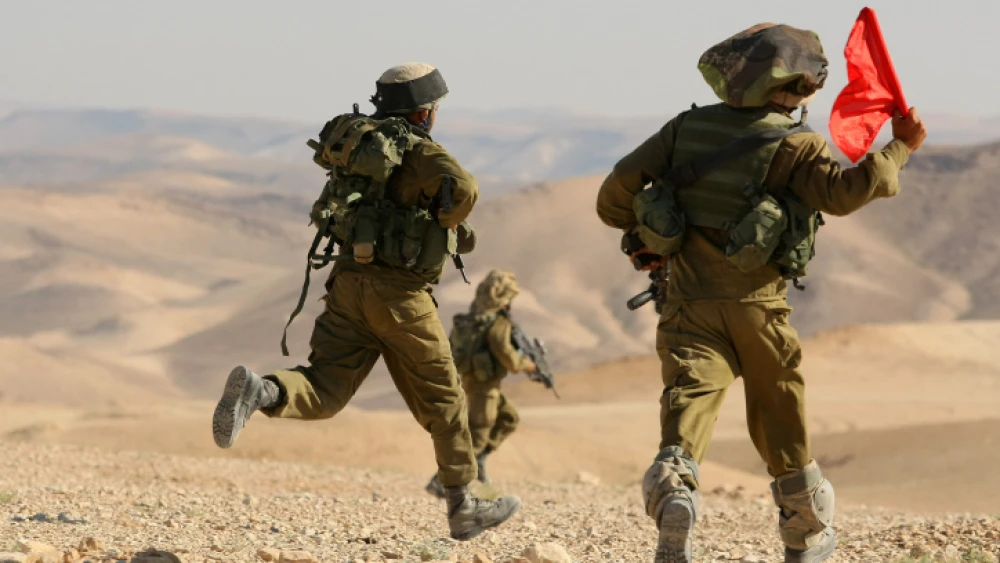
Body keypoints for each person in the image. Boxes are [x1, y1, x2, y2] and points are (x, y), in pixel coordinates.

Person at [594, 24, 926, 563]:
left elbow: (613, 198)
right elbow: (844, 195)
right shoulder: (796, 143)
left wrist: (643, 241)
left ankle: (675, 491)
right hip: (761, 310)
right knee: (781, 421)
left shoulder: (684, 130)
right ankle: (805, 535)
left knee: (689, 403)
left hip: (690, 305)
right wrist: (900, 148)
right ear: (792, 85)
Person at [211, 62, 521, 541]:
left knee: (326, 388)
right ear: (425, 112)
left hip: (348, 287)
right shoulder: (419, 152)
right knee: (446, 399)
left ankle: (261, 390)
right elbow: (465, 190)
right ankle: (463, 506)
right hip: (399, 297)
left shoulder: (359, 147)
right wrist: (443, 218)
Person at [425, 269, 537, 497]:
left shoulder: (475, 317)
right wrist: (528, 365)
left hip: (479, 382)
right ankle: (441, 481)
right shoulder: (497, 323)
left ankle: (480, 462)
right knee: (477, 435)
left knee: (508, 417)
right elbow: (508, 357)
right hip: (484, 387)